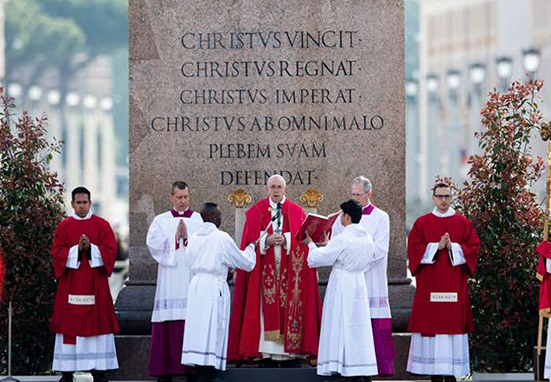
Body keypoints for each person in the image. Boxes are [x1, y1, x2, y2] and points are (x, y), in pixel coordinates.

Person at [229, 175, 322, 364]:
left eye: (279, 187)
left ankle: (292, 354)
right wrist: (265, 241)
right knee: (265, 306)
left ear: (285, 190)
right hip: (265, 270)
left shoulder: (296, 212)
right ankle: (267, 353)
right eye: (272, 187)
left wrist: (287, 239)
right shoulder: (256, 212)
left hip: (290, 269)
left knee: (291, 306)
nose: (276, 190)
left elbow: (305, 241)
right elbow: (248, 242)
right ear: (267, 189)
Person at [407, 182, 480, 381]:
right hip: (430, 286)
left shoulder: (462, 222)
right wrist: (435, 247)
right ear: (433, 198)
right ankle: (435, 374)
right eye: (440, 196)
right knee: (433, 326)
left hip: (453, 286)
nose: (443, 200)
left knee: (451, 328)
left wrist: (453, 247)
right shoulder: (422, 223)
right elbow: (413, 250)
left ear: (452, 197)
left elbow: (473, 247)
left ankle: (450, 375)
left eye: (447, 196)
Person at [50, 187, 119, 382]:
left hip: (95, 285)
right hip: (71, 285)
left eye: (85, 202)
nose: (82, 206)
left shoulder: (102, 225)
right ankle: (67, 371)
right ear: (72, 204)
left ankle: (99, 370)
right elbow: (56, 253)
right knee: (68, 327)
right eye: (78, 203)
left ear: (90, 203)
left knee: (98, 326)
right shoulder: (63, 227)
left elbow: (110, 251)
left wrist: (91, 249)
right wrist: (75, 250)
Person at [306, 199, 378, 381]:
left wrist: (310, 244)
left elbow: (317, 259)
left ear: (346, 216)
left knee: (338, 324)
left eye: (340, 216)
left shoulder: (344, 237)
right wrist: (330, 245)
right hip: (358, 283)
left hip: (342, 284)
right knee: (357, 327)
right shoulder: (367, 237)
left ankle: (338, 366)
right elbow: (344, 253)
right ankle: (358, 367)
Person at [181, 203, 256, 376]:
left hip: (196, 285)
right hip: (214, 286)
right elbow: (245, 262)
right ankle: (210, 372)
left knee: (198, 327)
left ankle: (200, 370)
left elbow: (190, 261)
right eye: (220, 215)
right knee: (214, 326)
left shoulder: (193, 237)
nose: (221, 218)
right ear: (214, 217)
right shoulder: (221, 238)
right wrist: (252, 247)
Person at [332, 176, 395, 376]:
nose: (356, 198)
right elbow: (335, 243)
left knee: (371, 323)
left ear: (369, 193)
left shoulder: (381, 217)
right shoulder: (342, 217)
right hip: (350, 280)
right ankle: (348, 369)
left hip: (371, 280)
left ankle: (375, 369)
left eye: (359, 194)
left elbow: (380, 249)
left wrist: (357, 263)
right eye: (353, 194)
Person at [146, 182, 204, 381]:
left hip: (190, 279)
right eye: (179, 197)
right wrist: (174, 237)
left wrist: (187, 237)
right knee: (168, 322)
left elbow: (204, 247)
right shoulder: (161, 220)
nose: (183, 201)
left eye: (186, 197)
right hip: (169, 282)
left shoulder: (198, 220)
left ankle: (191, 372)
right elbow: (152, 244)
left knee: (191, 322)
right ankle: (165, 372)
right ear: (171, 197)